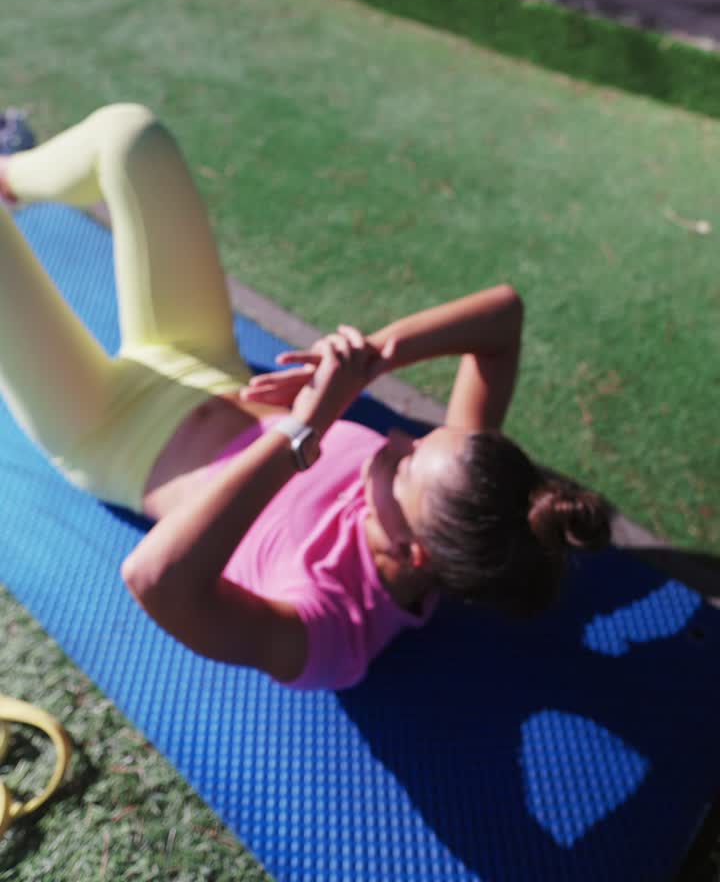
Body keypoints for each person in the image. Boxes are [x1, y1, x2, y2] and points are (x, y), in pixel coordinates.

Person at [0, 104, 610, 691]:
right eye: (421, 439)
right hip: (203, 364)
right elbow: (503, 316)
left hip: (108, 430)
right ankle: (9, 173)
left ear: (412, 552)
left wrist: (307, 426)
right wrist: (366, 361)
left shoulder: (328, 628)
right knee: (132, 136)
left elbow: (155, 580)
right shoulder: (464, 493)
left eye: (400, 465)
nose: (396, 439)